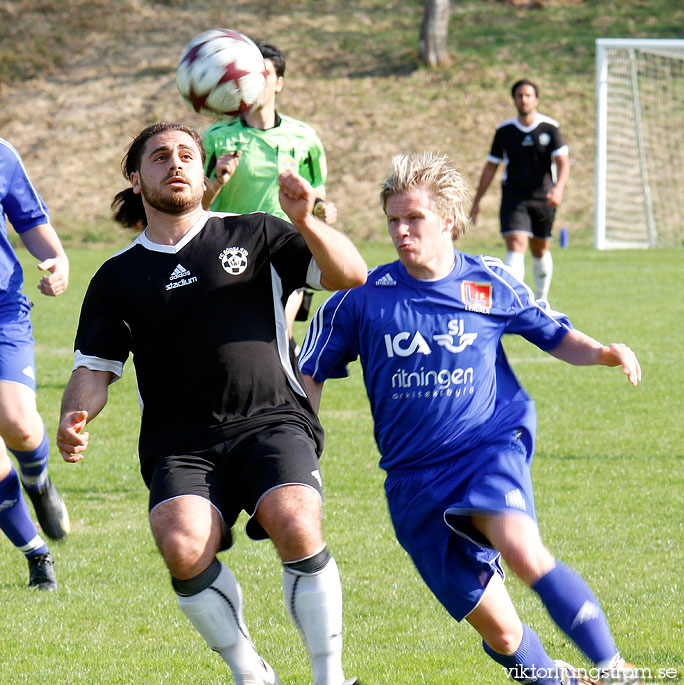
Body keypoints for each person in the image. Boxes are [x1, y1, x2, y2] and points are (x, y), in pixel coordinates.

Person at [299, 151, 644, 685]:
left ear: (448, 220)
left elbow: (553, 333)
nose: (400, 230)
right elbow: (311, 373)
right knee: (503, 636)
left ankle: (616, 669)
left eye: (413, 218)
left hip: (487, 448)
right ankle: (565, 680)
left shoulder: (488, 282)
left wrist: (602, 351)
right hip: (414, 483)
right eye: (393, 219)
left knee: (522, 549)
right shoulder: (361, 297)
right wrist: (302, 450)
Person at [56, 122, 366, 685]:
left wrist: (305, 220)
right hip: (182, 443)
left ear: (203, 172)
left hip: (272, 419)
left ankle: (330, 675)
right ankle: (250, 671)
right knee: (180, 543)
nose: (175, 164)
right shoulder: (116, 277)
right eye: (158, 157)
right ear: (135, 177)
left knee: (294, 519)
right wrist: (73, 416)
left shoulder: (257, 233)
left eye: (186, 155)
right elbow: (93, 369)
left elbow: (352, 274)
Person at [202, 41, 337, 342]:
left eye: (264, 74)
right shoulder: (215, 138)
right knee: (234, 338)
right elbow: (195, 206)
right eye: (249, 74)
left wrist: (322, 210)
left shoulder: (304, 138)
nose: (256, 82)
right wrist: (217, 183)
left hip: (285, 245)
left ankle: (291, 385)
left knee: (278, 332)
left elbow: (315, 195)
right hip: (230, 248)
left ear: (279, 83)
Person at [0, 130, 70, 591]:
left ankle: (37, 481)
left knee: (15, 422)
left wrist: (57, 259)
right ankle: (36, 554)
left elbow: (30, 220)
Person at [470, 78, 569, 302]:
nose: (524, 100)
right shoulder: (505, 131)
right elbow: (491, 167)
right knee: (516, 244)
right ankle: (517, 302)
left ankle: (542, 301)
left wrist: (559, 189)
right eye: (519, 96)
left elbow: (563, 162)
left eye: (528, 95)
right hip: (514, 198)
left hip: (543, 198)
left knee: (540, 248)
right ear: (514, 99)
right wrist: (477, 201)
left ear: (536, 99)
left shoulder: (550, 128)